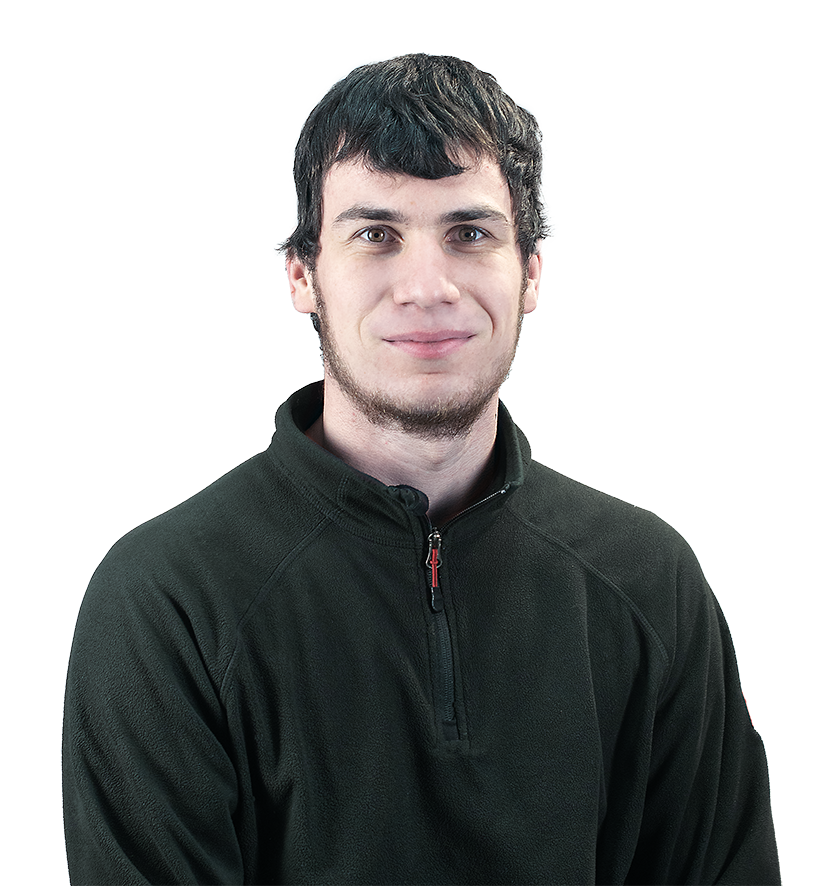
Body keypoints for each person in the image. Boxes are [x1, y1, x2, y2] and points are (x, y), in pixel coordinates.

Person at [62, 54, 781, 885]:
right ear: (302, 276)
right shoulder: (165, 600)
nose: (427, 286)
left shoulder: (650, 581)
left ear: (532, 270)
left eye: (469, 234)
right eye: (376, 235)